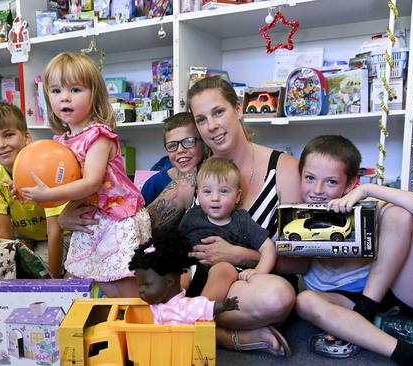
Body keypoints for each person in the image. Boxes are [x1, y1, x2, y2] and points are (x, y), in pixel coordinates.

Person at [140, 76, 306, 357]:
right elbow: (140, 226)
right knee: (142, 280)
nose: (212, 126)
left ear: (238, 108)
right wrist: (73, 217)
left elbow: (300, 260)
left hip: (252, 285)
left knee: (278, 298)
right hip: (196, 280)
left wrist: (238, 255)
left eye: (219, 112)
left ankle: (182, 323)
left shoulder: (284, 168)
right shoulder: (193, 176)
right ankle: (225, 337)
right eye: (202, 119)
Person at [293, 135, 413, 365]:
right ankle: (411, 355)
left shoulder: (361, 203)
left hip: (393, 293)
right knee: (304, 301)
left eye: (331, 182)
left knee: (399, 215)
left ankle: (363, 315)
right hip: (342, 301)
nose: (317, 190)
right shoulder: (291, 213)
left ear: (349, 184)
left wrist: (367, 190)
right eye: (309, 178)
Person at [20, 52, 150, 298]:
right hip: (90, 219)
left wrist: (47, 193)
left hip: (117, 219)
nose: (64, 97)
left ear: (95, 95)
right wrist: (24, 190)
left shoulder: (98, 136)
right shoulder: (61, 141)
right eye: (56, 91)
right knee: (82, 281)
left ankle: (135, 329)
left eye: (75, 89)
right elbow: (54, 182)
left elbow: (90, 183)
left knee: (125, 284)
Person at [0, 102, 66, 278]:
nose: (1, 145)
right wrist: (10, 276)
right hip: (21, 234)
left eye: (8, 135)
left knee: (40, 274)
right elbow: (4, 234)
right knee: (12, 269)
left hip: (57, 235)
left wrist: (54, 281)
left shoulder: (46, 165)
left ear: (26, 137)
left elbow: (56, 231)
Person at [179, 157, 277, 301]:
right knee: (178, 270)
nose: (215, 198)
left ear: (237, 196)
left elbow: (269, 247)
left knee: (223, 268)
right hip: (192, 269)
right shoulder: (192, 216)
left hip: (226, 278)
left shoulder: (242, 221)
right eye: (207, 192)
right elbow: (176, 243)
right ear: (198, 194)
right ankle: (173, 308)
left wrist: (259, 272)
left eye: (224, 191)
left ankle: (201, 313)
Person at [128, 228, 239, 325]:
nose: (141, 291)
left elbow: (205, 307)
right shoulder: (155, 304)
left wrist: (224, 306)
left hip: (182, 346)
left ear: (169, 281)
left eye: (146, 285)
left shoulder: (184, 307)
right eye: (140, 285)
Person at [141, 112, 205, 206]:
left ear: (203, 142)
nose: (180, 150)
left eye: (188, 142)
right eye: (172, 145)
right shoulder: (153, 184)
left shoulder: (217, 178)